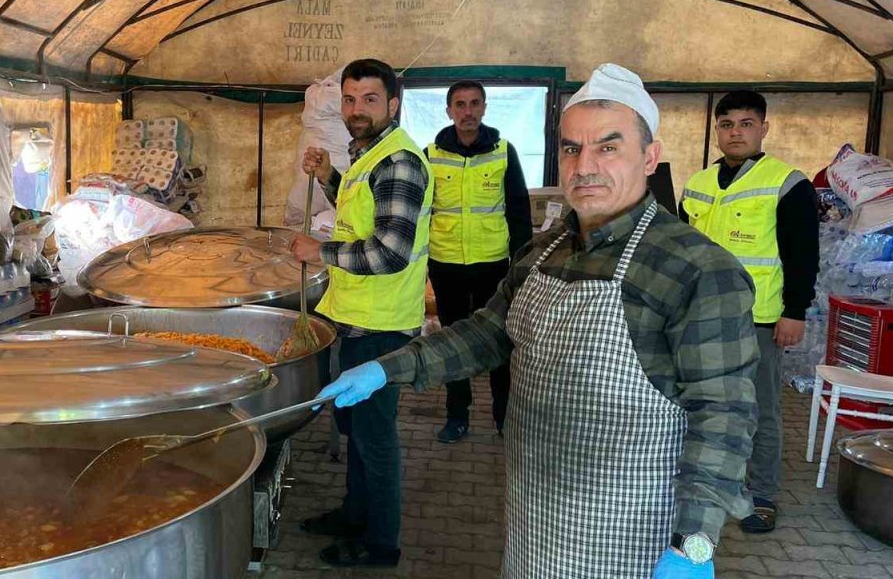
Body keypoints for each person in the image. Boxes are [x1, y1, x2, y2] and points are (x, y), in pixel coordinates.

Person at [317, 63, 759, 579]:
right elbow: (486, 333)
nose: (585, 166)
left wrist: (695, 543)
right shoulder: (544, 252)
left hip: (634, 537)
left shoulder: (696, 269)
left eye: (608, 147)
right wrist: (388, 368)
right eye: (571, 148)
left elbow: (724, 415)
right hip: (535, 521)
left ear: (649, 156)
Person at [289, 58, 433, 568]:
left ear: (393, 104)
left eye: (369, 100)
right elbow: (362, 217)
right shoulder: (368, 155)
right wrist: (330, 176)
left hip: (381, 326)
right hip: (355, 317)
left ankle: (381, 544)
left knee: (375, 439)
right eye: (349, 100)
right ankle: (354, 514)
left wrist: (320, 252)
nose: (356, 110)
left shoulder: (399, 162)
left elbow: (390, 252)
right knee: (355, 429)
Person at [680, 91, 820, 534]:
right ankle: (705, 482)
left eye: (745, 124)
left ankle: (761, 495)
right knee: (700, 402)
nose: (735, 133)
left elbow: (803, 255)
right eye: (726, 125)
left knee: (760, 407)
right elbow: (683, 251)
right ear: (716, 131)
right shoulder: (698, 184)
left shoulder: (787, 183)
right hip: (702, 316)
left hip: (759, 317)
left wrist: (794, 311)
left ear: (764, 128)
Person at [426, 80, 532, 443]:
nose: (468, 111)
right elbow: (422, 212)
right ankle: (457, 416)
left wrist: (520, 265)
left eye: (474, 103)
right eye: (460, 104)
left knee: (498, 341)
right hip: (446, 264)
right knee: (453, 342)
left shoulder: (504, 151)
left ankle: (503, 416)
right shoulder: (431, 155)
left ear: (484, 108)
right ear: (449, 111)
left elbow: (519, 211)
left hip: (493, 265)